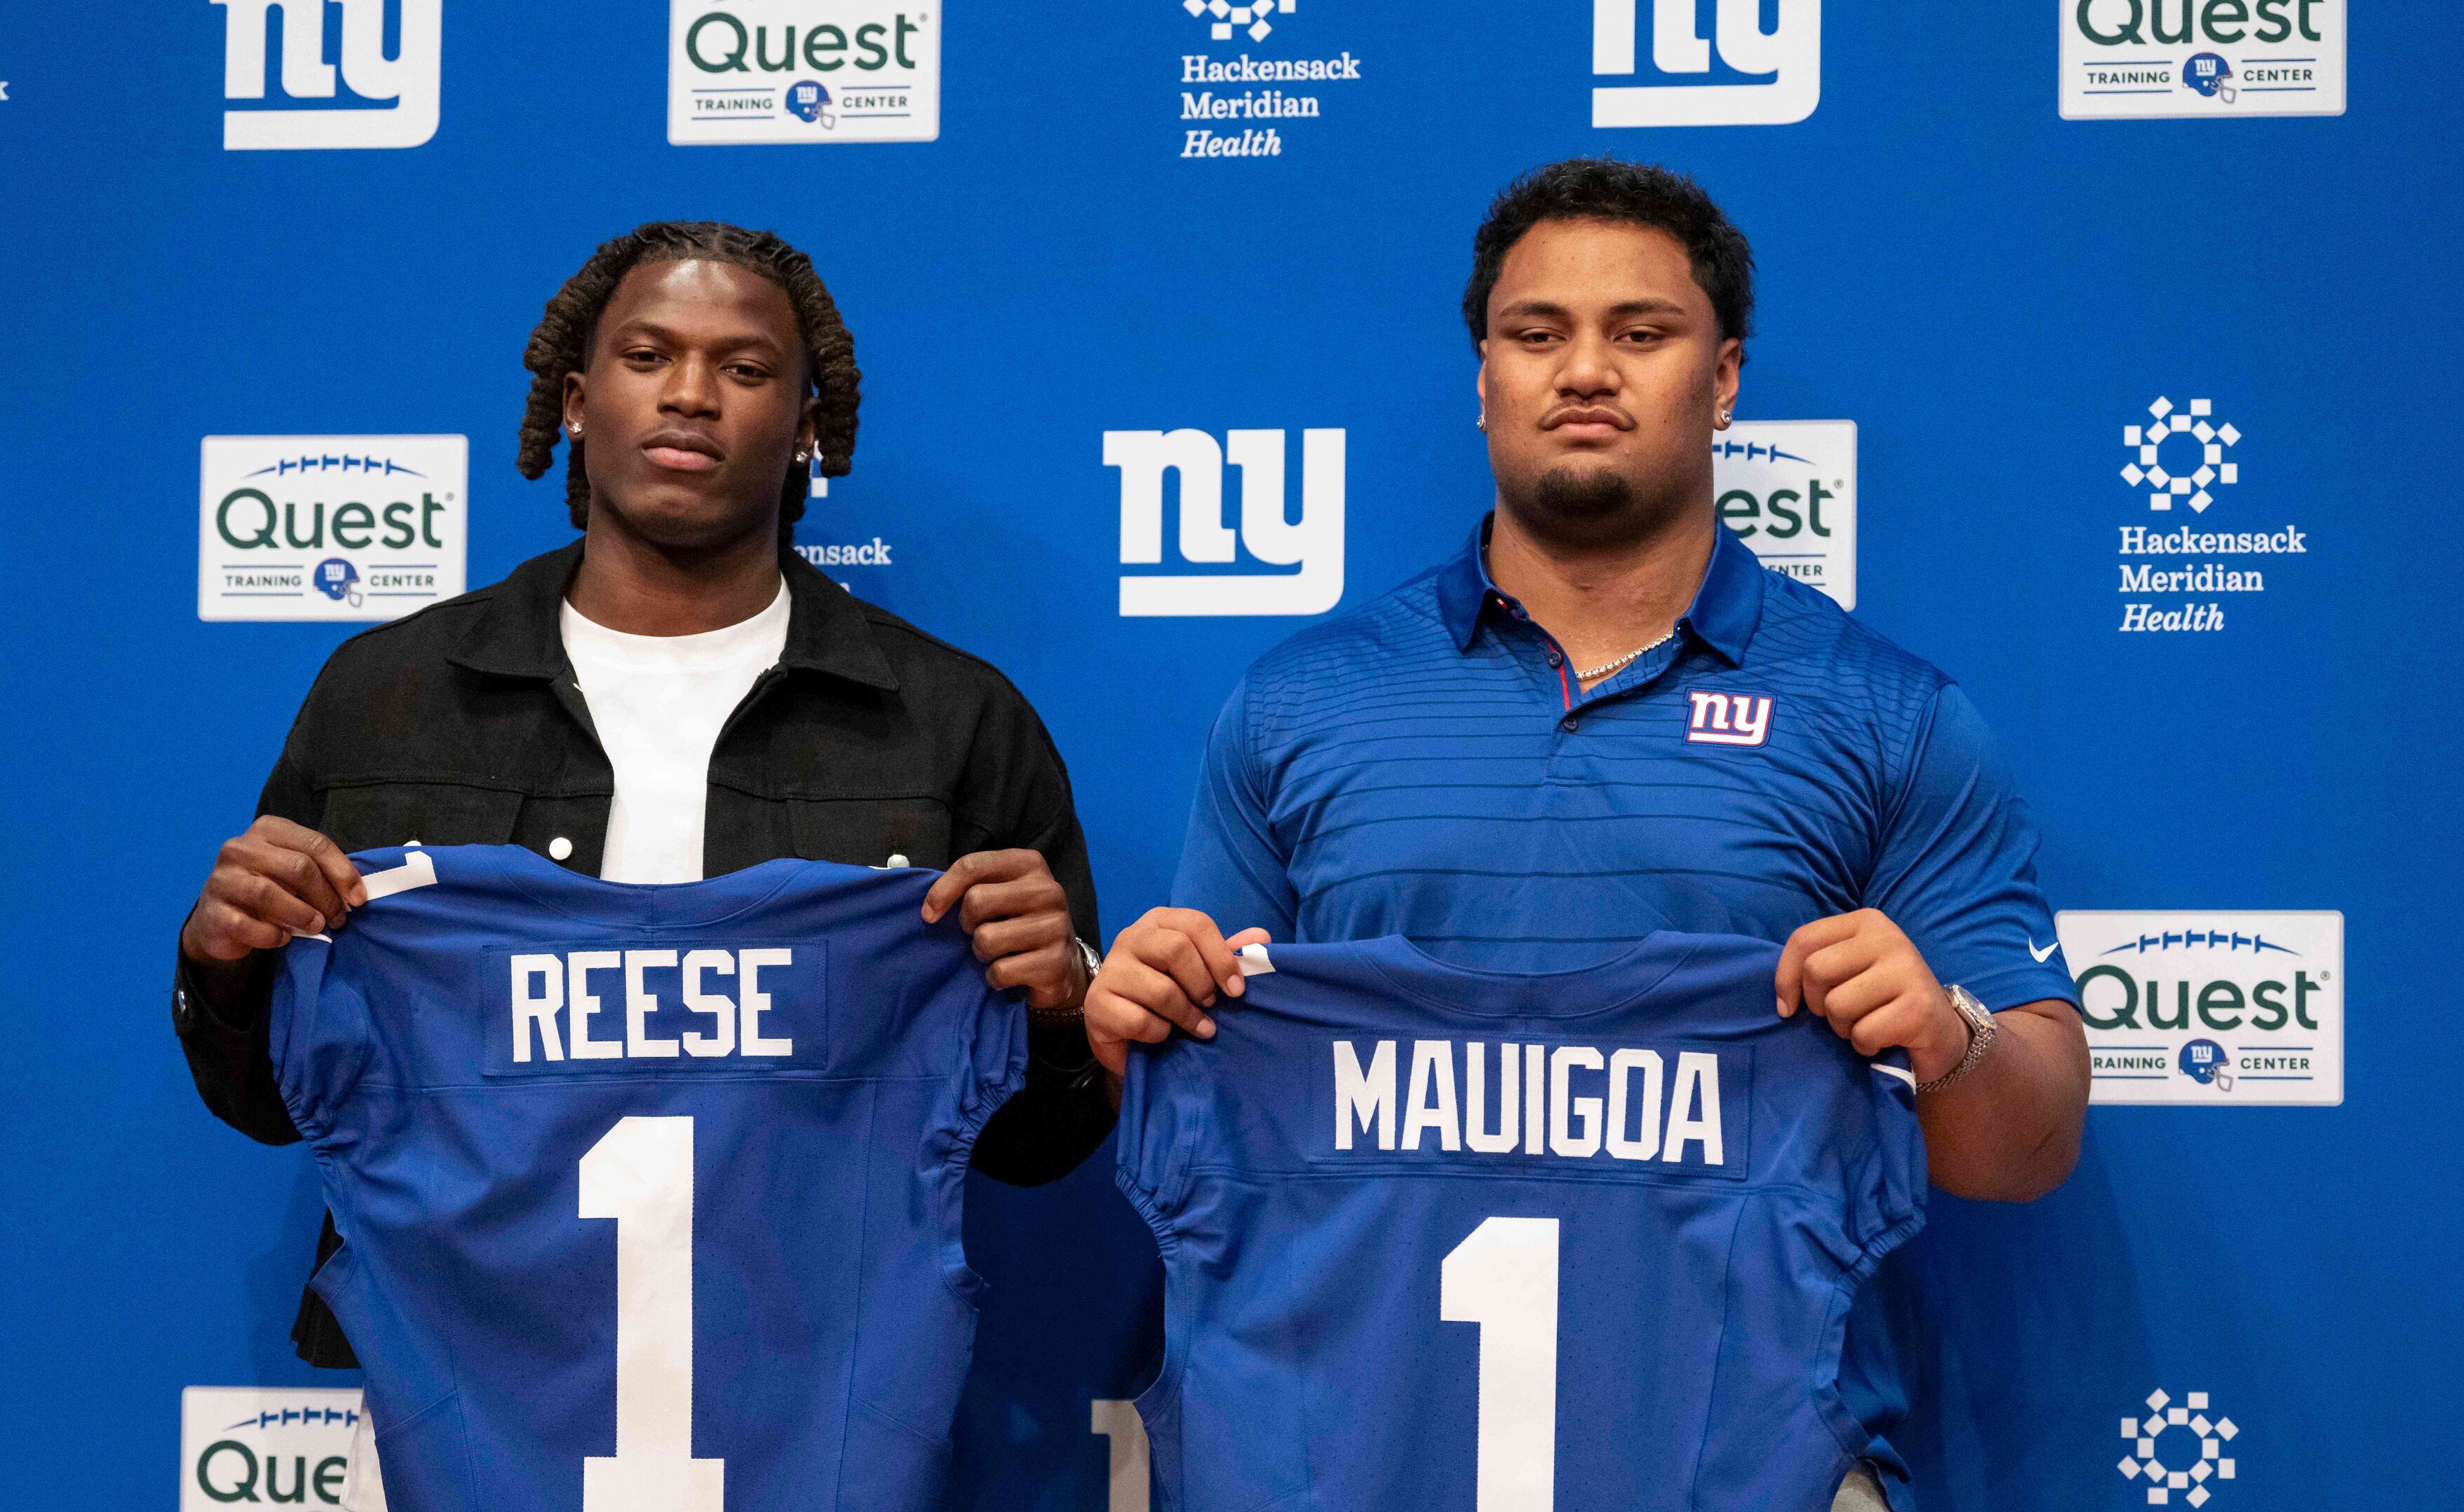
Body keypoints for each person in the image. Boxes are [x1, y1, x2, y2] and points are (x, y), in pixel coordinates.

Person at [1080, 160, 2090, 1511]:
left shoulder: (1889, 715)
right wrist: (1134, 1024)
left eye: (1643, 332)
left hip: (1751, 1465)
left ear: (1724, 377)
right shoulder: (1301, 702)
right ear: (1484, 372)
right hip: (1364, 1455)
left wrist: (1945, 1032)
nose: (1586, 370)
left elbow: (2029, 1146)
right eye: (1537, 332)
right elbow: (1211, 1121)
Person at [171, 221, 1106, 1499]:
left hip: (813, 1396)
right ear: (573, 401)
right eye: (647, 354)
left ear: (807, 422)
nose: (688, 393)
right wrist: (223, 966)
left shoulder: (953, 722)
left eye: (745, 367)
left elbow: (1032, 1144)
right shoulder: (388, 694)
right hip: (469, 1391)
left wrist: (1061, 1007)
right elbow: (282, 1102)